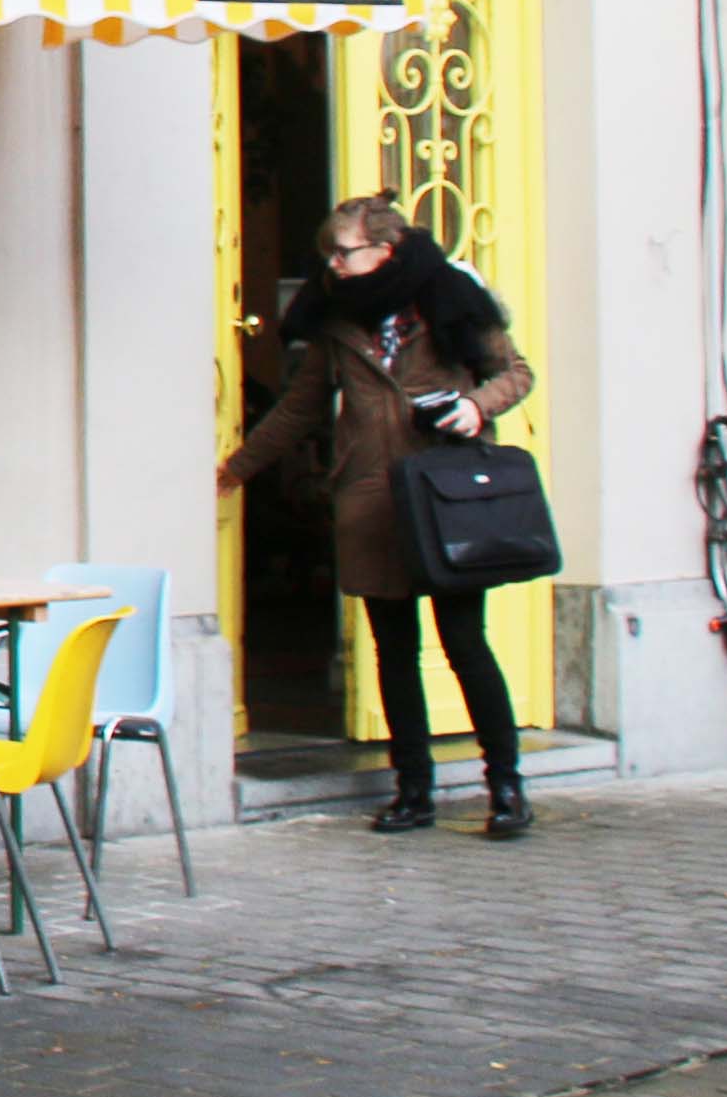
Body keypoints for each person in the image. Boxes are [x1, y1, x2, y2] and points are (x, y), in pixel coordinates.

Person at [217, 196, 539, 840]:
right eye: (329, 254)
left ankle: (505, 786)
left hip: (446, 499)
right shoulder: (334, 318)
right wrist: (234, 469)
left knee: (465, 646)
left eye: (346, 252)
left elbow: (513, 372)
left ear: (384, 252)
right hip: (371, 500)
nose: (333, 265)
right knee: (394, 653)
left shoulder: (449, 297)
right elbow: (300, 408)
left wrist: (476, 408)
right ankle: (411, 790)